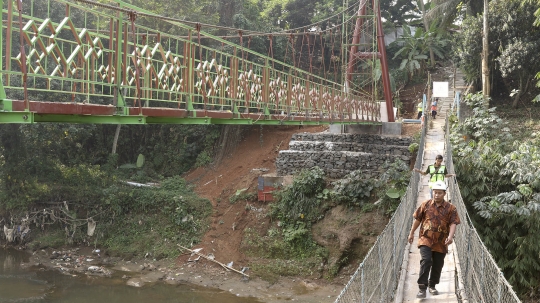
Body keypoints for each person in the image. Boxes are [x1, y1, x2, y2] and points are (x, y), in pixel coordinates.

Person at [408, 181, 460, 299]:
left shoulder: (451, 208)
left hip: (441, 242)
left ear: (444, 194)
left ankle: (432, 285)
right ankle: (422, 288)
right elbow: (417, 219)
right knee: (426, 260)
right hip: (425, 239)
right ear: (432, 192)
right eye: (435, 192)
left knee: (438, 264)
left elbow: (453, 223)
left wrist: (450, 237)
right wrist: (411, 233)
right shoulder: (425, 204)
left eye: (439, 193)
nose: (436, 195)